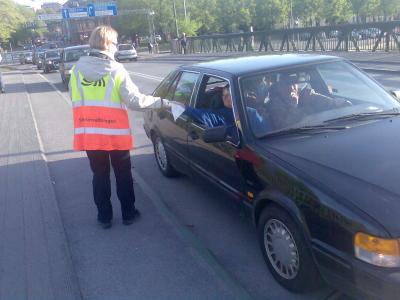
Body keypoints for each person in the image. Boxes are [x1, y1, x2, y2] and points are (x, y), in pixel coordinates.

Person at [68, 26, 162, 229]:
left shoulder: (76, 70)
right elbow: (134, 100)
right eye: (115, 42)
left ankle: (104, 218)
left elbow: (75, 99)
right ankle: (128, 213)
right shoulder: (115, 69)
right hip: (115, 134)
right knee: (123, 174)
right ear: (107, 44)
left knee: (99, 175)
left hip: (90, 134)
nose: (116, 46)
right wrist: (160, 102)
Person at [185, 85, 270, 139]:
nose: (225, 98)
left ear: (238, 96)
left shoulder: (252, 112)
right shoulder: (217, 115)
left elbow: (266, 133)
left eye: (229, 95)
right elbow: (194, 112)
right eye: (224, 95)